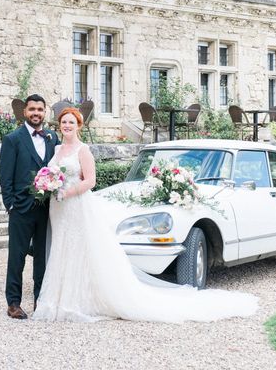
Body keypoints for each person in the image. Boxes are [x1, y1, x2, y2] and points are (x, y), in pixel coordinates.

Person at [32, 107, 259, 323]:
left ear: (78, 125)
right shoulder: (56, 150)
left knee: (79, 248)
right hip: (58, 208)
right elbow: (51, 173)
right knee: (61, 247)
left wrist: (67, 192)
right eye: (64, 122)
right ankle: (58, 299)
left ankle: (78, 300)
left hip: (75, 204)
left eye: (71, 122)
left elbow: (90, 181)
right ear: (59, 125)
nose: (67, 125)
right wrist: (48, 185)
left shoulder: (84, 150)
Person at [0, 94, 60, 320]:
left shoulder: (53, 138)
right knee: (17, 257)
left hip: (47, 209)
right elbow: (5, 176)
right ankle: (13, 303)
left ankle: (40, 300)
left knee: (43, 257)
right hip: (21, 208)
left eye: (40, 110)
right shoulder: (13, 139)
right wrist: (11, 205)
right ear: (25, 112)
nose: (36, 113)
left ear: (45, 112)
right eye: (32, 109)